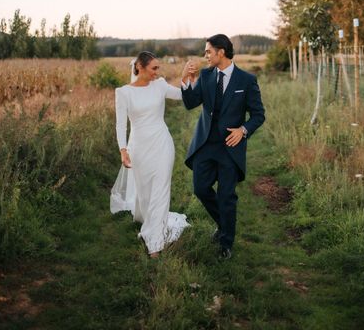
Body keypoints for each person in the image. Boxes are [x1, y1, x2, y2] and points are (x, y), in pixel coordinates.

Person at [181, 34, 265, 260]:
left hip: (230, 147)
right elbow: (191, 103)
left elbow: (258, 115)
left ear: (221, 52)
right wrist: (187, 80)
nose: (205, 56)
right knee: (200, 189)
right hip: (206, 144)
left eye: (208, 51)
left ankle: (226, 242)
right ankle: (225, 223)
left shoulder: (246, 80)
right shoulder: (207, 75)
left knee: (227, 196)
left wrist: (243, 131)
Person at [110, 51, 191, 258]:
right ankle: (149, 221)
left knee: (161, 191)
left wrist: (184, 77)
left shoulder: (160, 85)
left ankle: (154, 243)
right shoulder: (123, 93)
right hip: (138, 148)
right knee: (145, 193)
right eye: (154, 68)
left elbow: (182, 94)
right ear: (139, 67)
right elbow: (120, 125)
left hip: (162, 144)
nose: (158, 72)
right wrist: (123, 150)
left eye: (158, 68)